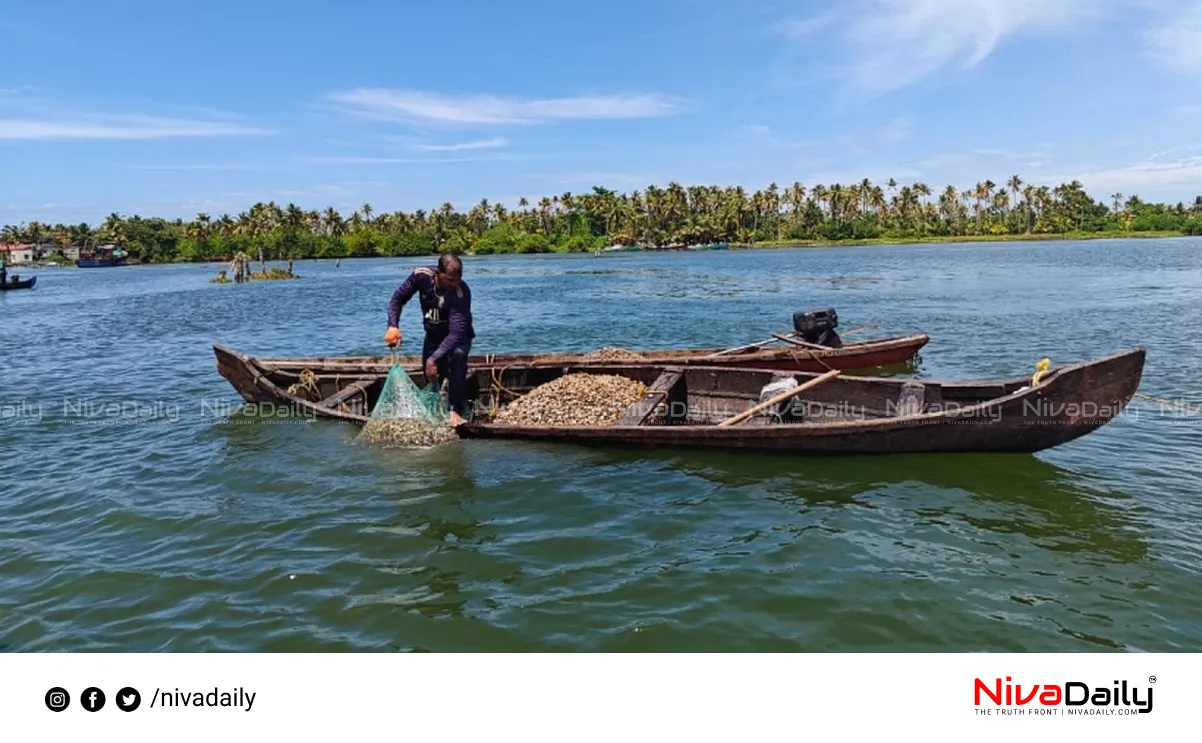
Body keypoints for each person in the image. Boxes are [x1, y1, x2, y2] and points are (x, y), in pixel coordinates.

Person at [384, 254, 475, 427]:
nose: (454, 284)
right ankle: (436, 410)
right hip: (433, 336)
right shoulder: (421, 276)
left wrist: (435, 358)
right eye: (450, 280)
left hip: (458, 338)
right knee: (431, 375)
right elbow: (397, 300)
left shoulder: (461, 292)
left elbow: (456, 333)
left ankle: (454, 411)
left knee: (457, 356)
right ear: (438, 273)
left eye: (458, 279)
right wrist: (392, 325)